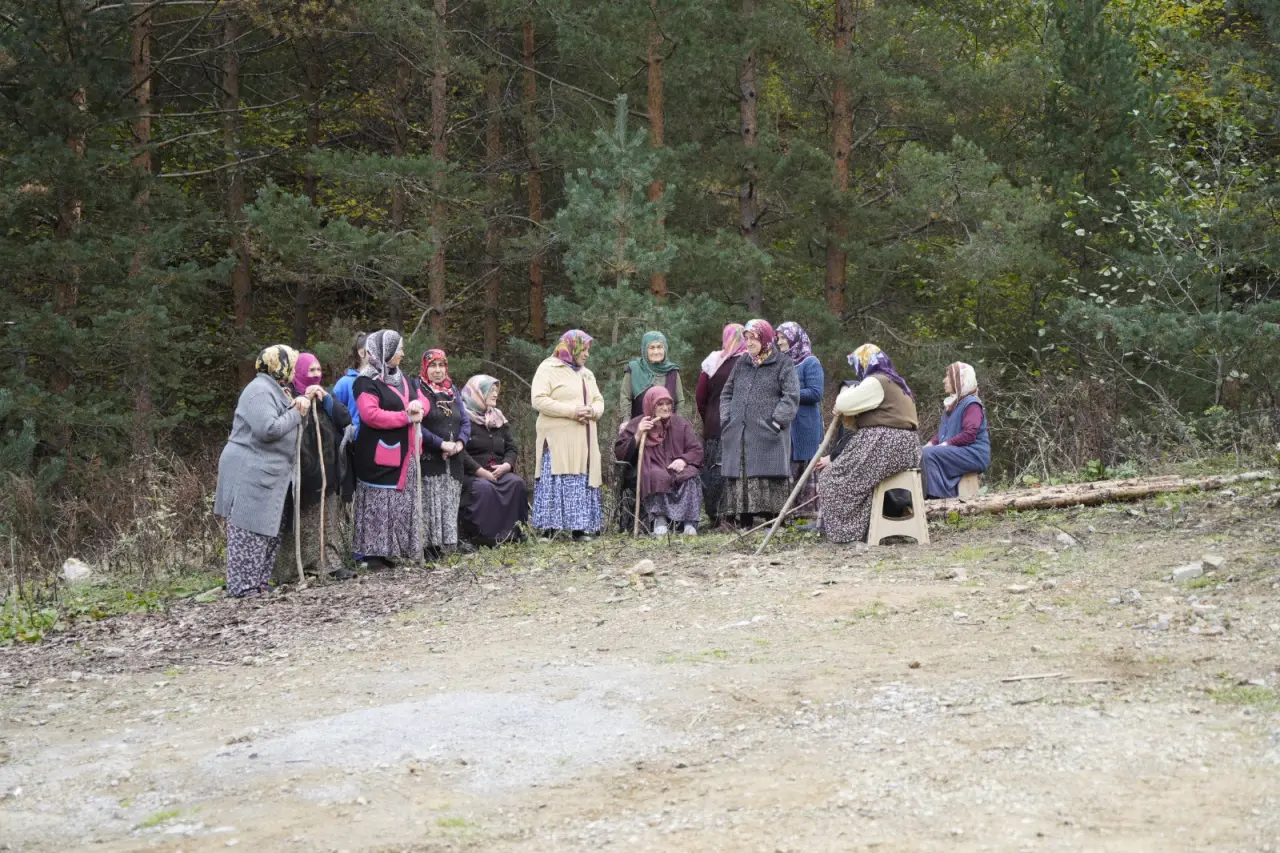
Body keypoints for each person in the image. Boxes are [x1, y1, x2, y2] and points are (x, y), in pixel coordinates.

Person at [214, 345, 310, 597]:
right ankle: (243, 588)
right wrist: (297, 413)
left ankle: (258, 585)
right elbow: (267, 429)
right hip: (250, 472)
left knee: (269, 530)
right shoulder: (258, 390)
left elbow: (289, 422)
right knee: (249, 529)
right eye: (291, 363)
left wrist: (297, 409)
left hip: (270, 475)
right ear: (279, 365)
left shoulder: (279, 390)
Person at [816, 344, 921, 544]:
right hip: (904, 446)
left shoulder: (876, 381)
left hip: (886, 445)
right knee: (853, 479)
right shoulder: (895, 382)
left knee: (832, 477)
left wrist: (845, 398)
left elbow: (844, 403)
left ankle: (847, 534)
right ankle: (865, 529)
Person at [350, 329, 429, 570]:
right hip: (379, 457)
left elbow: (422, 399)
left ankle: (393, 550)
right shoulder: (365, 381)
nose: (402, 354)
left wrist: (418, 405)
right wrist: (406, 416)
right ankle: (373, 555)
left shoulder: (401, 378)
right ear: (385, 353)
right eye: (399, 350)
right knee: (379, 503)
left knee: (398, 504)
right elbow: (371, 415)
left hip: (406, 454)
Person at [272, 352, 354, 583]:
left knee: (327, 519)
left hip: (326, 467)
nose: (317, 375)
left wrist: (326, 399)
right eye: (311, 371)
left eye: (319, 370)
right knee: (300, 520)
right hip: (301, 469)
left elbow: (344, 418)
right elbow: (285, 425)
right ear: (298, 372)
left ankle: (329, 564)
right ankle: (292, 569)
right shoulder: (289, 395)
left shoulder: (325, 395)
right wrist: (302, 403)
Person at [719, 319, 801, 527]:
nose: (749, 343)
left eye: (753, 338)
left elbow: (791, 396)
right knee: (743, 471)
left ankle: (773, 519)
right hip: (739, 431)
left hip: (769, 432)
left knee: (768, 471)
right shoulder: (741, 363)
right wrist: (727, 418)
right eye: (746, 339)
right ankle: (744, 518)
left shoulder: (783, 363)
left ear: (764, 338)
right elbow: (727, 392)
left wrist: (776, 422)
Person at [531, 329, 605, 538]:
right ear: (572, 347)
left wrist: (593, 411)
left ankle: (579, 529)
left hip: (583, 439)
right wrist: (572, 412)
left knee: (580, 479)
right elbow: (538, 400)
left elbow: (598, 400)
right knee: (555, 477)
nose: (587, 354)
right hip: (556, 439)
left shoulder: (586, 373)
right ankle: (549, 529)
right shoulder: (548, 368)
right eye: (584, 349)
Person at [615, 386, 705, 536]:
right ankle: (660, 520)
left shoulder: (680, 423)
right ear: (651, 405)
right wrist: (638, 433)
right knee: (657, 475)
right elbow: (620, 452)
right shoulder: (639, 422)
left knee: (690, 476)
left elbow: (696, 450)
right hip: (652, 466)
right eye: (660, 404)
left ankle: (689, 522)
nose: (666, 408)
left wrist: (683, 460)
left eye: (668, 403)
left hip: (676, 466)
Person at [458, 375, 528, 547]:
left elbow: (512, 447)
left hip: (498, 472)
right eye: (491, 390)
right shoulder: (462, 418)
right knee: (484, 488)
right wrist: (480, 472)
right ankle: (482, 538)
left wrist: (507, 465)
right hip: (471, 473)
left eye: (497, 390)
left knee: (516, 483)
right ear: (477, 393)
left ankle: (514, 533)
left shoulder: (498, 418)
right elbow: (461, 452)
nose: (496, 394)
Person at [418, 349, 470, 558]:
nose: (438, 371)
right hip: (431, 458)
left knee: (449, 500)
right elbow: (418, 426)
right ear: (425, 368)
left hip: (454, 459)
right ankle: (430, 547)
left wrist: (459, 443)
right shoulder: (419, 389)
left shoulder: (452, 391)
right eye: (433, 366)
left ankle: (449, 544)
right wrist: (441, 444)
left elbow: (465, 420)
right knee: (431, 502)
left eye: (441, 366)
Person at [695, 323, 746, 529]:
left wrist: (709, 416)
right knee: (735, 469)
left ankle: (715, 515)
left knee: (714, 469)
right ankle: (732, 515)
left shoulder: (713, 361)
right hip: (739, 424)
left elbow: (701, 397)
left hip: (714, 423)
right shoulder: (748, 361)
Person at [776, 321, 825, 518]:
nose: (778, 342)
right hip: (786, 427)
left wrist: (789, 393)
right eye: (777, 338)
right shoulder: (782, 363)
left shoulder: (810, 362)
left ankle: (808, 517)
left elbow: (815, 393)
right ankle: (787, 516)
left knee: (805, 469)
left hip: (805, 426)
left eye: (782, 337)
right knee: (788, 469)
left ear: (794, 338)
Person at [922, 361, 990, 498]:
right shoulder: (952, 405)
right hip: (960, 451)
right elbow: (942, 434)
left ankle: (941, 499)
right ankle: (924, 497)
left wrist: (944, 445)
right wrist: (928, 445)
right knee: (921, 453)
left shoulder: (972, 404)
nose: (944, 380)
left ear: (960, 379)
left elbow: (969, 435)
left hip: (974, 454)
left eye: (948, 376)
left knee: (929, 455)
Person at [620, 331, 684, 418]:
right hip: (639, 425)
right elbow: (625, 397)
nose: (656, 351)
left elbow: (679, 401)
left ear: (665, 348)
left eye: (659, 347)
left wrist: (677, 423)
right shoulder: (634, 368)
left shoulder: (672, 371)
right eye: (652, 348)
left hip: (668, 426)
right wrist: (626, 420)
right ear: (644, 350)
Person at [331, 332, 368, 436]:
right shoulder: (345, 382)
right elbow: (333, 412)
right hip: (354, 442)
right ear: (362, 353)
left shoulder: (381, 380)